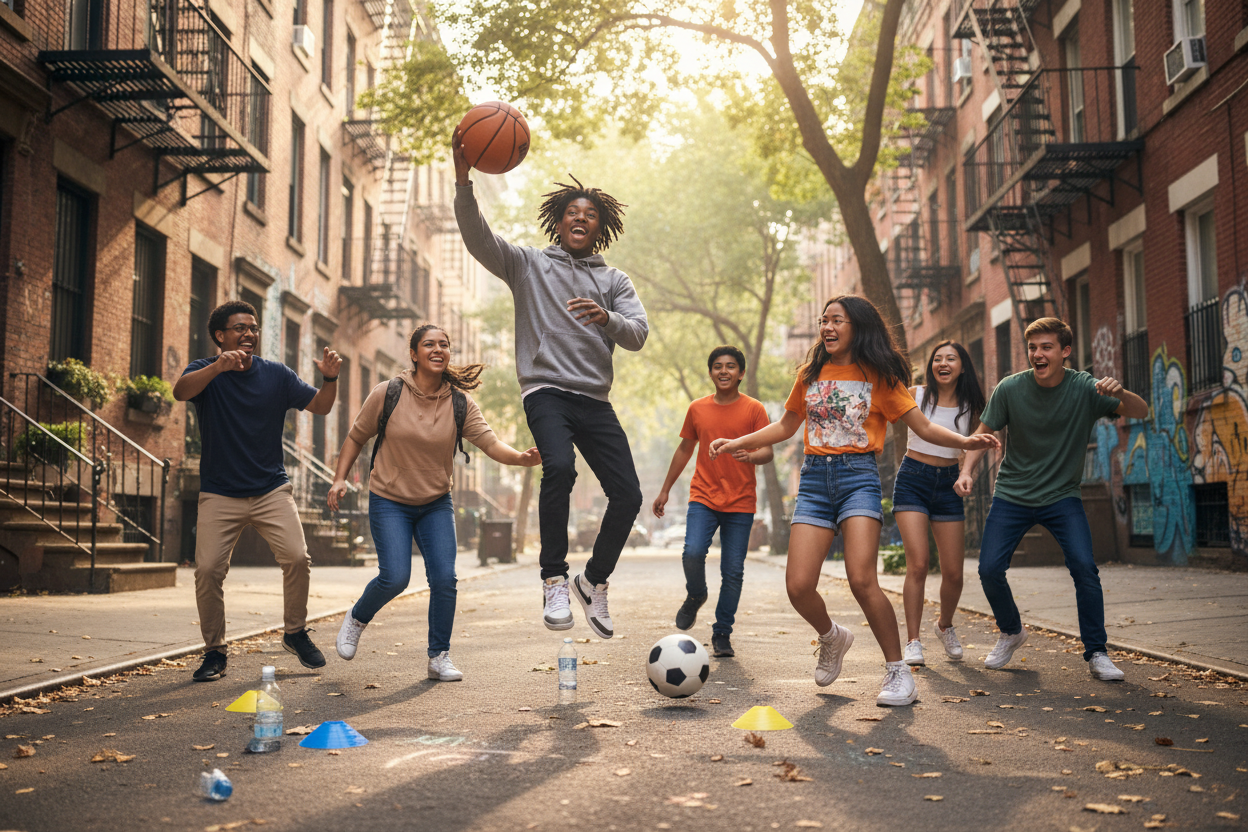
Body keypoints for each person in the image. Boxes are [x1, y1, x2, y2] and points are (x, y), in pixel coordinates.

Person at [710, 296, 1000, 706]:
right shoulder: (810, 373)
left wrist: (964, 441)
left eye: (836, 320)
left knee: (862, 579)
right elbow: (786, 425)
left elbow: (922, 426)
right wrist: (736, 442)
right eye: (823, 320)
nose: (826, 327)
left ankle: (899, 672)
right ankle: (832, 637)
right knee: (797, 586)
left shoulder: (879, 377)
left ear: (856, 326)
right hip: (813, 481)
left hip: (858, 478)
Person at [453, 132, 648, 640]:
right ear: (558, 221)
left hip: (594, 397)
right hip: (545, 391)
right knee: (558, 467)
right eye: (572, 213)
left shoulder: (615, 281)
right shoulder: (528, 265)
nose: (580, 219)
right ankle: (554, 579)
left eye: (590, 215)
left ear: (600, 227)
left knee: (627, 495)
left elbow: (638, 336)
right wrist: (462, 181)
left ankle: (593, 582)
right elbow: (478, 239)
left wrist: (606, 318)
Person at [326, 325, 540, 682]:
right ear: (414, 354)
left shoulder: (459, 402)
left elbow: (489, 442)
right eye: (429, 344)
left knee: (444, 578)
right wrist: (339, 478)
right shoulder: (388, 392)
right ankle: (356, 619)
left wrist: (520, 458)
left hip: (436, 502)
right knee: (395, 577)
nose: (438, 349)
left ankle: (439, 656)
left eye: (444, 344)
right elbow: (356, 437)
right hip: (389, 499)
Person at [955, 317, 1148, 680]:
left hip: (1062, 496)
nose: (1037, 355)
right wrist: (967, 472)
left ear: (1065, 352)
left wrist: (1119, 394)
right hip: (1013, 494)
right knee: (989, 569)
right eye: (1032, 348)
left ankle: (1097, 652)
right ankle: (1012, 631)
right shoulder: (1010, 389)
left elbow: (1141, 412)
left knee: (1084, 569)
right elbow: (983, 432)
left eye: (1046, 347)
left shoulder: (1087, 389)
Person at [173, 300, 341, 682]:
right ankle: (214, 651)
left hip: (270, 490)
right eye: (239, 328)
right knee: (208, 571)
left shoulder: (277, 375)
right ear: (220, 335)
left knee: (298, 558)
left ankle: (295, 632)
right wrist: (219, 366)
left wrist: (330, 379)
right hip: (219, 492)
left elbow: (321, 406)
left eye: (253, 328)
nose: (249, 333)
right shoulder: (203, 370)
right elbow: (180, 393)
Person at [652, 346, 773, 658]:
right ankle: (696, 594)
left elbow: (768, 452)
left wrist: (751, 454)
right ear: (710, 372)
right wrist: (665, 489)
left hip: (741, 501)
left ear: (741, 373)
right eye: (718, 366)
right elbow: (684, 449)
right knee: (692, 552)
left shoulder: (754, 409)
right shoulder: (698, 408)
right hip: (703, 496)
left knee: (732, 570)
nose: (724, 371)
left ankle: (722, 633)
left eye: (731, 366)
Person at [893, 340, 986, 667]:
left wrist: (966, 471)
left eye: (951, 358)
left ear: (962, 366)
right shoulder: (914, 394)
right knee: (918, 564)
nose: (943, 363)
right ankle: (913, 641)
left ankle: (944, 626)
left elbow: (978, 440)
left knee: (954, 573)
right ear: (930, 365)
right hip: (913, 480)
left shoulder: (971, 403)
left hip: (948, 484)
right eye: (938, 359)